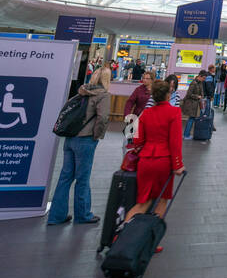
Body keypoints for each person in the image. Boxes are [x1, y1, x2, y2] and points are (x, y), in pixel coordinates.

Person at [46, 67, 112, 226]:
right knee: (83, 177)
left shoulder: (82, 91)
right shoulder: (103, 95)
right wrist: (96, 136)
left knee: (65, 177)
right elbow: (102, 118)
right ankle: (83, 215)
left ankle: (56, 216)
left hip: (70, 138)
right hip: (85, 140)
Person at [122, 80, 184, 233]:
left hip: (145, 161)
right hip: (164, 162)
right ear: (168, 95)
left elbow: (137, 140)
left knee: (142, 202)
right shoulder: (174, 112)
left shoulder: (146, 114)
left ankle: (123, 235)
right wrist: (178, 165)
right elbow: (175, 142)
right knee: (161, 200)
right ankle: (149, 240)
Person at [181, 70, 205, 137]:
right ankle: (186, 135)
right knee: (191, 119)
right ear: (200, 76)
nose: (204, 80)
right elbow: (189, 94)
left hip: (195, 104)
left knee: (192, 119)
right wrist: (197, 96)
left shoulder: (199, 83)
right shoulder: (193, 83)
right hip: (191, 104)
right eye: (203, 78)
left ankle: (187, 134)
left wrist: (201, 96)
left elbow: (201, 92)